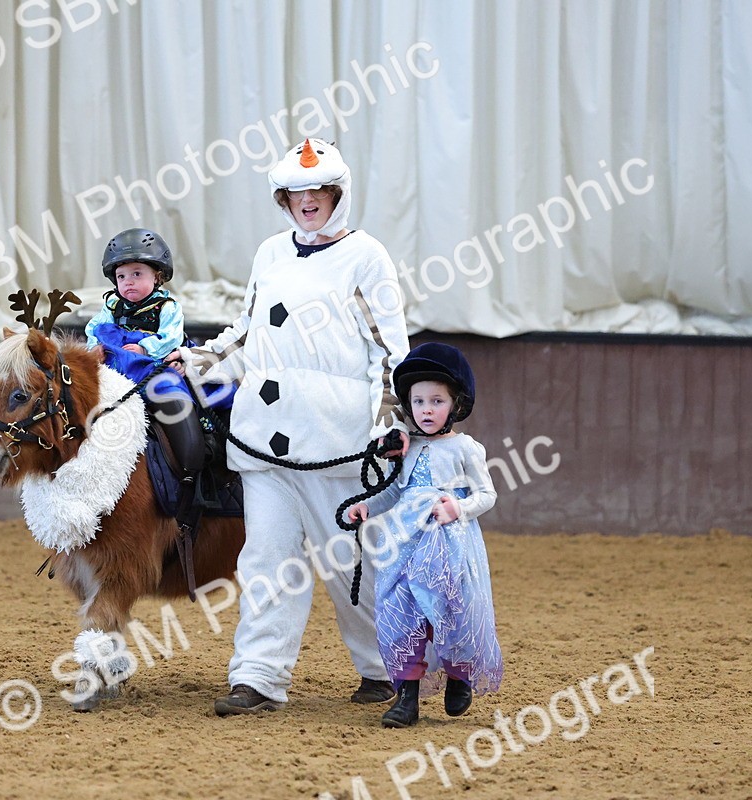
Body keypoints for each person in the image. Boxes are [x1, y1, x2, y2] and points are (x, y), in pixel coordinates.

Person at [171, 138, 411, 715]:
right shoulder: (271, 253)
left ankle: (387, 667)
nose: (307, 201)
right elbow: (249, 328)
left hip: (338, 441)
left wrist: (392, 419)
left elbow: (391, 348)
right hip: (262, 432)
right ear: (284, 198)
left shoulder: (367, 256)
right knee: (266, 561)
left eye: (318, 191)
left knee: (350, 561)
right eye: (296, 193)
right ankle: (257, 678)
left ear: (338, 194)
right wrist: (200, 358)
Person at [346, 342, 503, 727]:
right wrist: (368, 505)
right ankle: (408, 698)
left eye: (436, 401)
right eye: (419, 402)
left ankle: (459, 677)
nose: (427, 410)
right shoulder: (409, 447)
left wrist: (458, 508)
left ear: (456, 405)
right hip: (405, 543)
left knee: (450, 608)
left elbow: (488, 494)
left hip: (448, 545)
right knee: (405, 612)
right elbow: (398, 491)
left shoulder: (465, 448)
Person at [85, 228, 209, 527]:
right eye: (122, 277)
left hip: (154, 366)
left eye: (137, 274)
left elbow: (171, 336)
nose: (128, 283)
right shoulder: (111, 306)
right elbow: (93, 329)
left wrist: (144, 346)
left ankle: (193, 461)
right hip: (116, 368)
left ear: (157, 277)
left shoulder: (167, 307)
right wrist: (95, 349)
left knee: (172, 394)